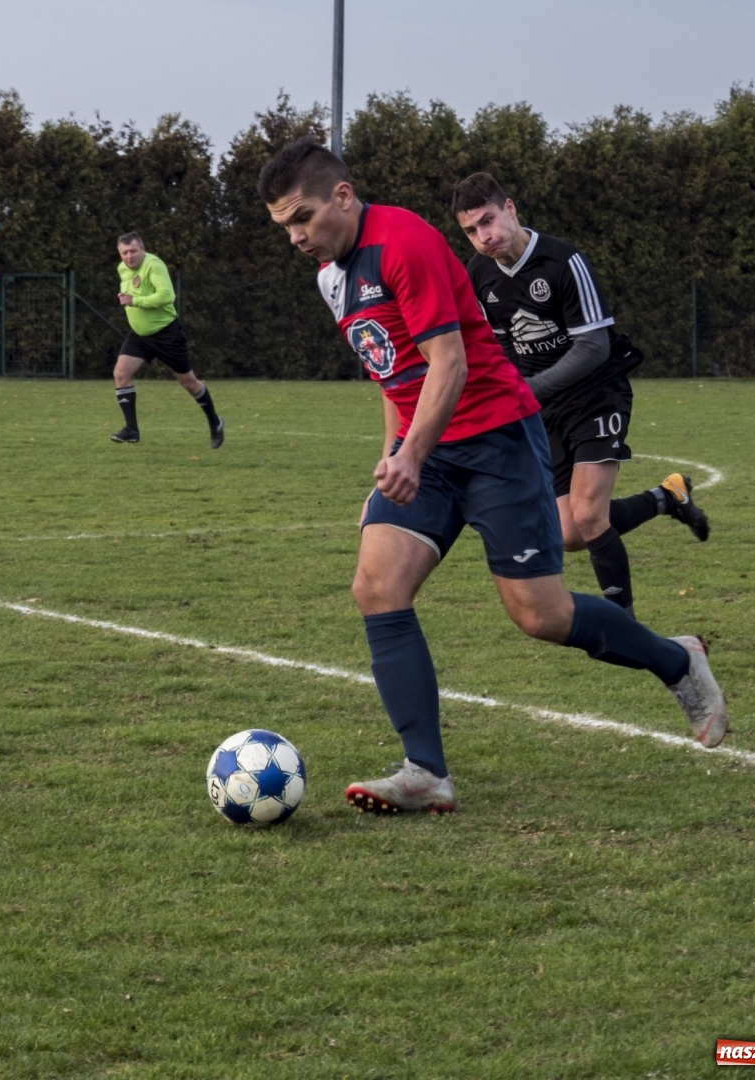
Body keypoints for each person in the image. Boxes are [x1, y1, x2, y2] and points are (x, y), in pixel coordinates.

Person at [256, 139, 727, 814]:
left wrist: (410, 456)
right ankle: (426, 772)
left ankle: (678, 661)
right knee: (377, 586)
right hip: (429, 450)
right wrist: (390, 462)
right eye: (284, 227)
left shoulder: (404, 243)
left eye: (302, 217)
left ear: (343, 195)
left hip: (497, 440)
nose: (296, 237)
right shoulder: (332, 278)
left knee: (541, 614)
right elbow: (394, 376)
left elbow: (448, 364)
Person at [453, 172, 710, 616]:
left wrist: (527, 390)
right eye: (471, 231)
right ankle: (668, 497)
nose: (484, 236)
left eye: (488, 221)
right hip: (545, 408)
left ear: (510, 208)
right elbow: (500, 347)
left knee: (590, 515)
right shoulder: (479, 274)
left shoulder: (563, 262)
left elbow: (593, 347)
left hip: (596, 393)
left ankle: (625, 628)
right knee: (571, 533)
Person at [110, 232, 223, 448]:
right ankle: (131, 429)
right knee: (121, 373)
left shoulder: (154, 265)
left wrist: (135, 301)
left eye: (133, 251)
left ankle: (215, 422)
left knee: (189, 383)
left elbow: (167, 296)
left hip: (166, 334)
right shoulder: (122, 268)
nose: (129, 256)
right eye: (124, 253)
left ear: (142, 249)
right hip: (139, 335)